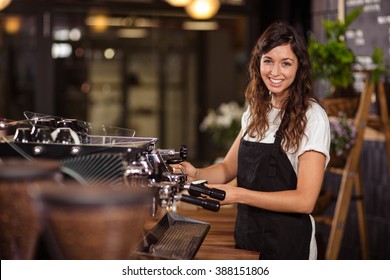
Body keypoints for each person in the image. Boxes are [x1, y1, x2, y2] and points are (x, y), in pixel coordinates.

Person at [173, 22, 330, 260]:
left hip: (288, 245)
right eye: (268, 60)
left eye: (286, 63)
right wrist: (194, 173)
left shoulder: (312, 117)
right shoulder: (257, 110)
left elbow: (305, 201)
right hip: (248, 240)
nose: (275, 72)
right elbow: (227, 168)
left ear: (299, 68)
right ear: (258, 62)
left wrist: (238, 195)